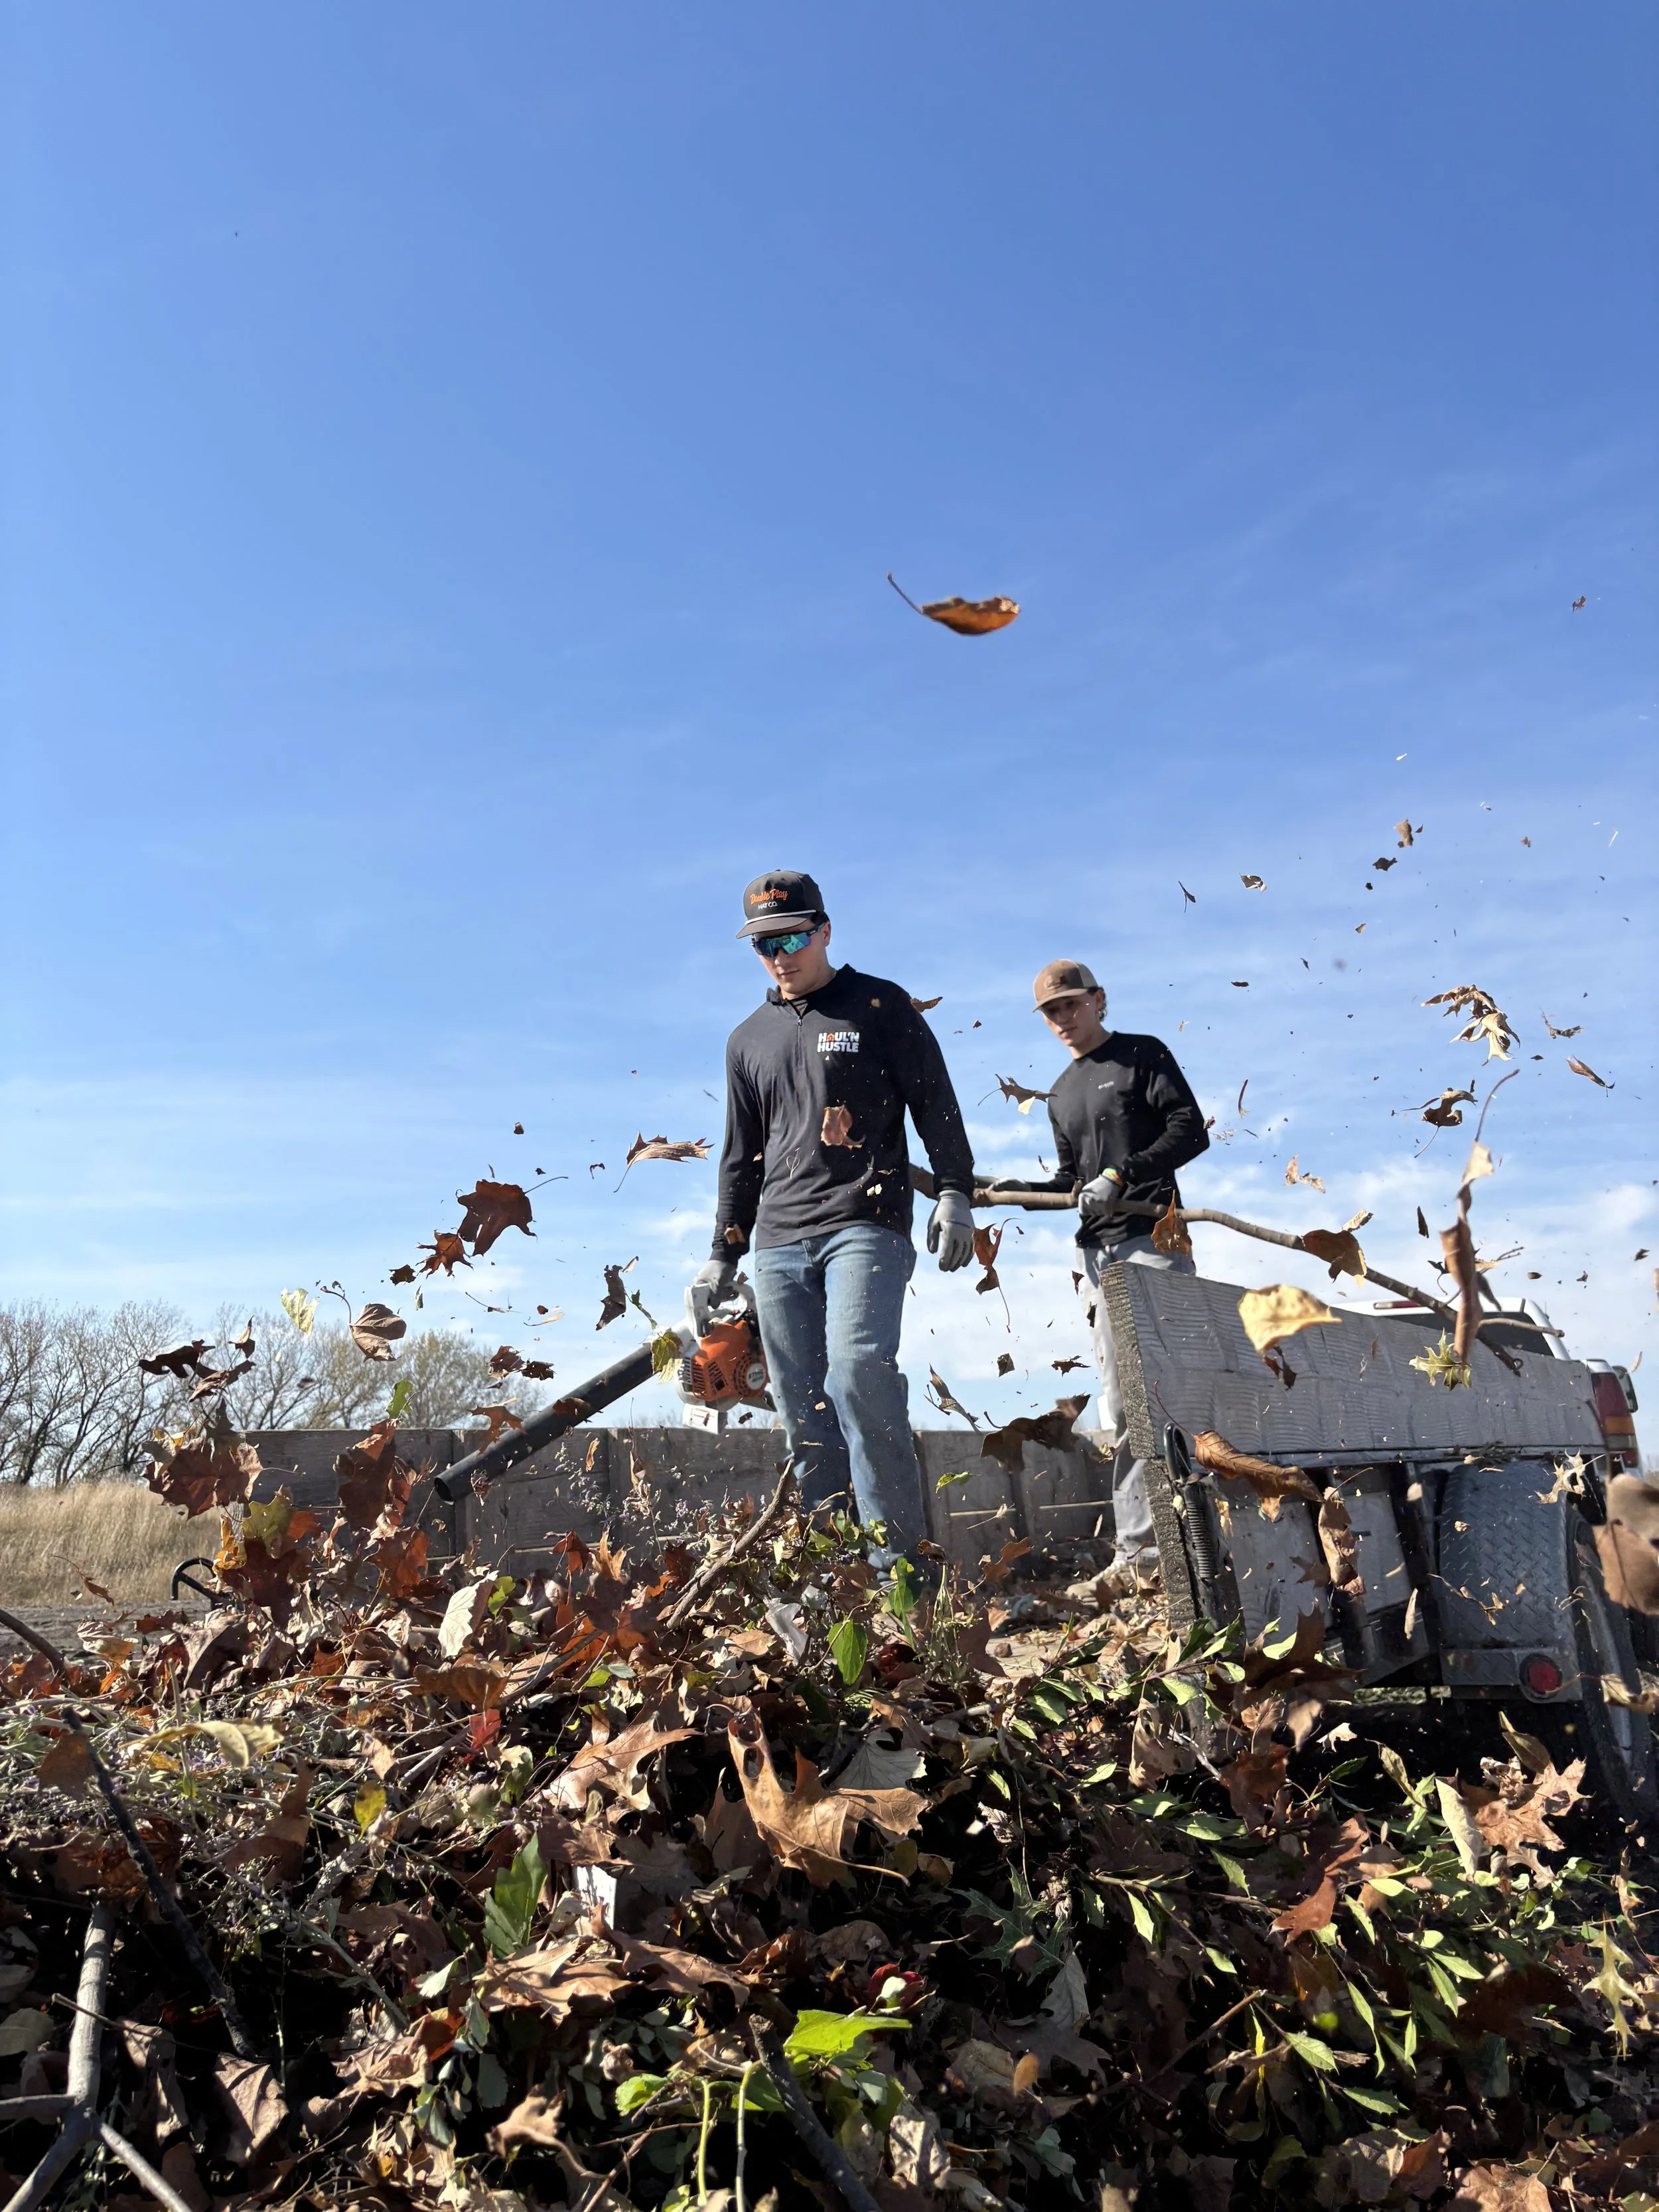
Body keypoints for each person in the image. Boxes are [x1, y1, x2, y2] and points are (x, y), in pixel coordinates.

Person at [687, 871, 977, 1562]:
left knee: (857, 1372)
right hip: (778, 1241)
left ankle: (899, 1572)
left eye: (791, 937)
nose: (779, 955)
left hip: (864, 1225)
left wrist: (955, 1192)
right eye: (763, 946)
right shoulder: (746, 1040)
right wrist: (722, 1253)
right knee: (802, 1407)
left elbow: (935, 1103)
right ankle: (835, 1576)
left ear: (823, 930)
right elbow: (740, 1156)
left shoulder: (879, 1007)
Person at [1005, 959, 1209, 1591]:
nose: (1063, 1019)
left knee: (1171, 1397)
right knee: (1123, 1403)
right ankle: (1142, 1556)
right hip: (1097, 1257)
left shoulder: (1143, 1056)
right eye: (1051, 1011)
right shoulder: (1061, 1092)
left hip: (1154, 1240)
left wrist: (1123, 1175)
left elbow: (1189, 1130)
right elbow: (1073, 1184)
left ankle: (1203, 1543)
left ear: (1098, 1000)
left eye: (1072, 1004)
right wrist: (1024, 1191)